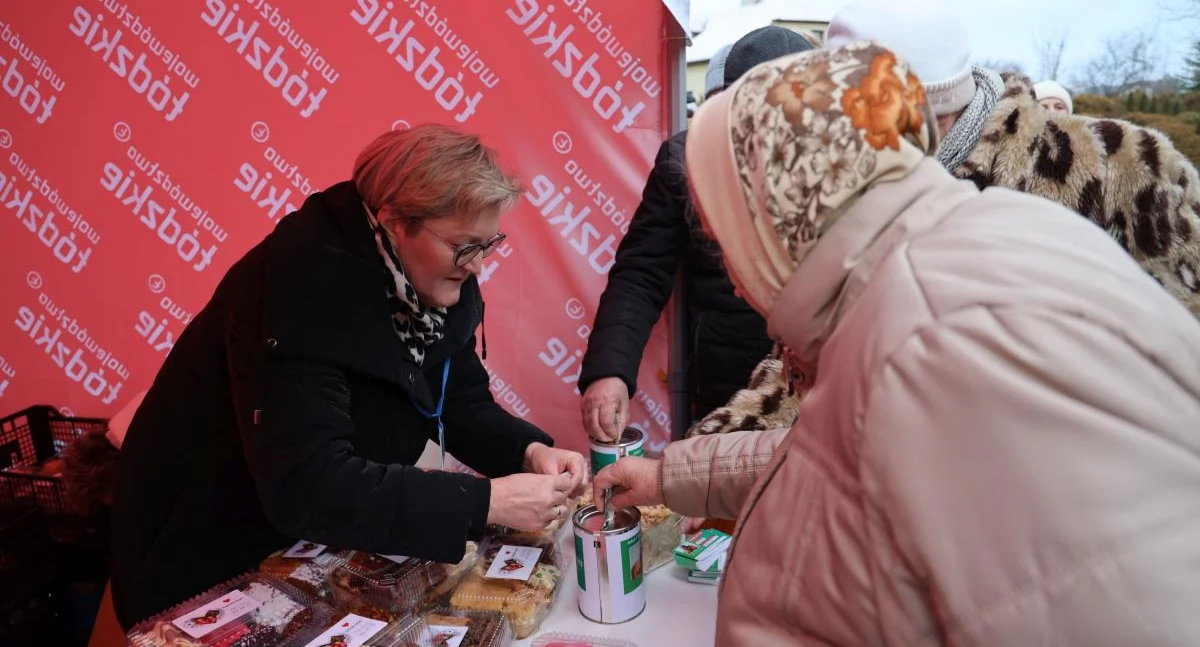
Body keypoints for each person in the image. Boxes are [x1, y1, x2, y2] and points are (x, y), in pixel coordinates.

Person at [595, 41, 1200, 644]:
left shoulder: (931, 331)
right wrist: (671, 475)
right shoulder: (932, 268)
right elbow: (856, 453)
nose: (727, 271)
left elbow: (1096, 604)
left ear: (777, 217)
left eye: (723, 233)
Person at [109, 125, 588, 629]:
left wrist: (527, 452)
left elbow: (457, 400)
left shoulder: (432, 282)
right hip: (205, 558)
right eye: (465, 247)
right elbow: (307, 482)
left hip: (297, 552)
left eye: (488, 244)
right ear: (395, 222)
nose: (479, 265)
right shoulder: (301, 286)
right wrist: (486, 502)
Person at [688, 0, 1200, 438]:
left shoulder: (1126, 171)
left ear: (924, 111)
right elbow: (805, 374)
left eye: (862, 125)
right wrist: (701, 460)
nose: (846, 145)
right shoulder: (848, 195)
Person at [578, 26, 818, 442]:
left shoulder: (848, 167)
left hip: (824, 383)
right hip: (728, 386)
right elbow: (640, 273)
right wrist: (609, 371)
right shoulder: (685, 162)